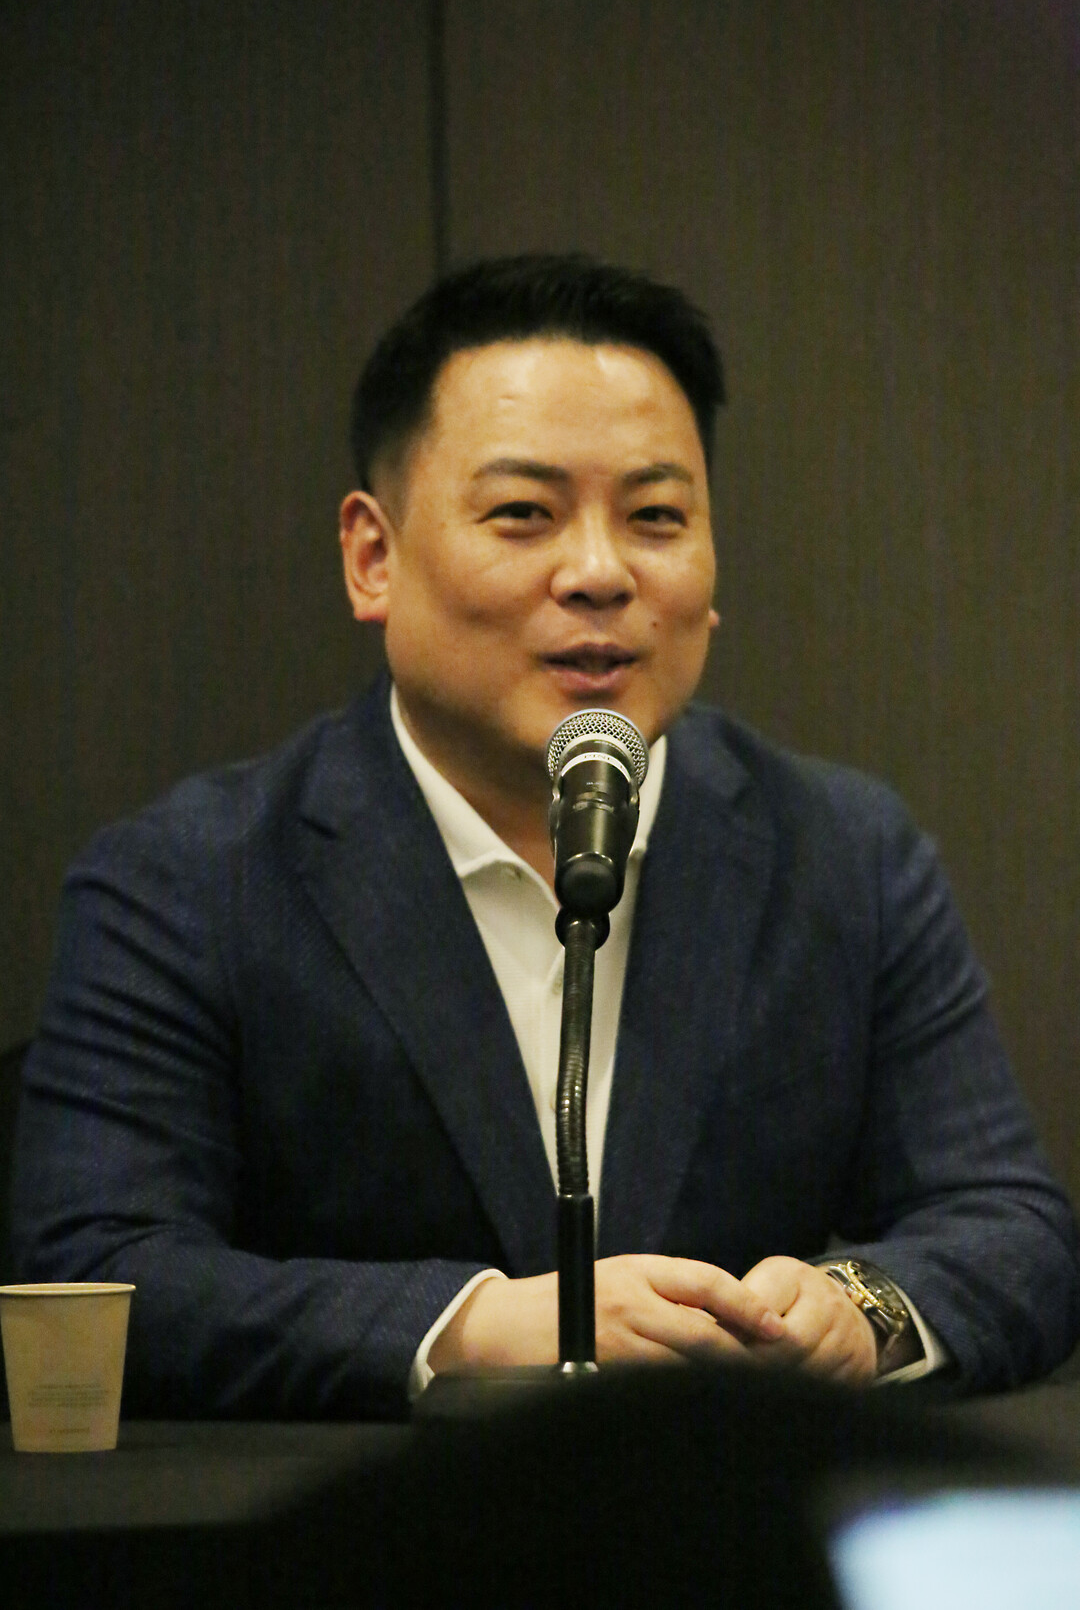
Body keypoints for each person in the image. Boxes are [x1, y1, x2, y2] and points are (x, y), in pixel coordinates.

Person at [11, 255, 1079, 1418]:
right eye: (524, 514)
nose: (601, 573)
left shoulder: (846, 852)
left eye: (656, 517)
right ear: (374, 557)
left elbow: (1013, 1229)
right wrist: (470, 1327)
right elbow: (93, 1266)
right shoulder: (187, 879)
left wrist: (858, 1312)